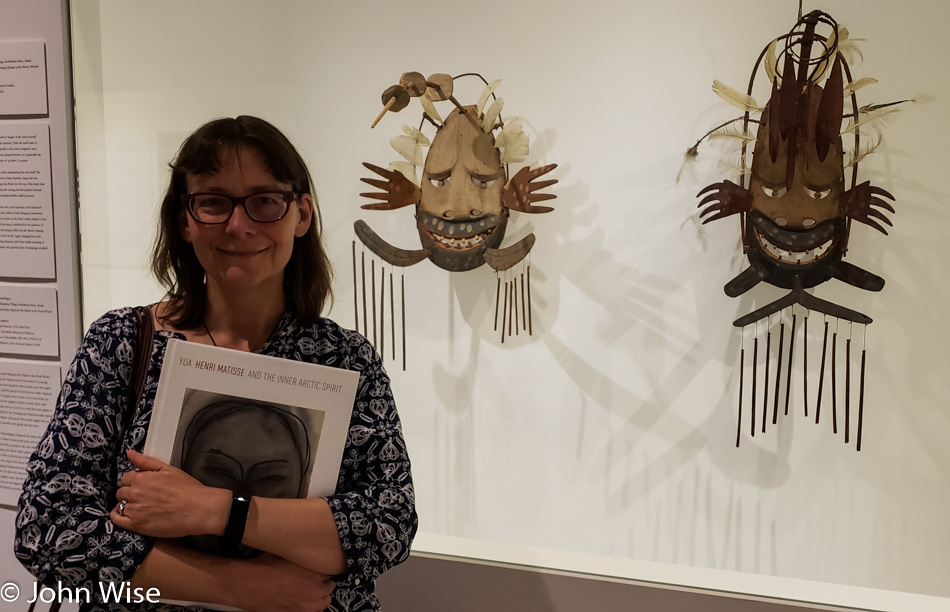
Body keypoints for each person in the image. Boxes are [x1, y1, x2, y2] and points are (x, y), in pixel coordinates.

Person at [14, 115, 417, 612]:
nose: (239, 225)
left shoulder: (346, 360)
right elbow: (48, 529)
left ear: (302, 215)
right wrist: (240, 587)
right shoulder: (121, 343)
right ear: (184, 219)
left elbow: (388, 525)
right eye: (213, 202)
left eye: (265, 201)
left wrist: (213, 509)